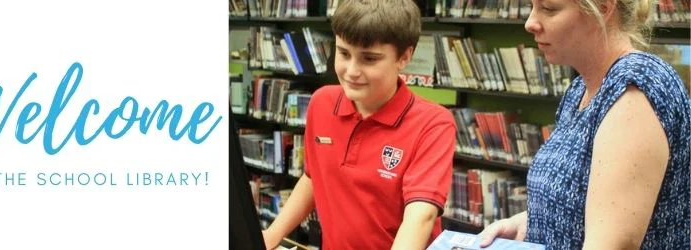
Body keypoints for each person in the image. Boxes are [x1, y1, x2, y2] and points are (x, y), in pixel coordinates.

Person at [479, 0, 691, 249]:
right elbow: (591, 205)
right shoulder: (581, 89)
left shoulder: (636, 89)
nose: (530, 23)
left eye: (549, 9)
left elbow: (611, 243)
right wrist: (529, 222)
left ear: (602, 8)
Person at [261, 0, 457, 249]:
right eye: (344, 53)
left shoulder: (433, 123)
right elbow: (313, 178)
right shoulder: (321, 102)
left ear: (404, 57)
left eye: (369, 59)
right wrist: (269, 237)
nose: (351, 71)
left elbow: (420, 216)